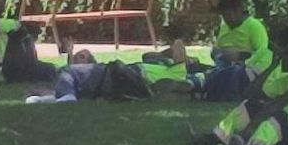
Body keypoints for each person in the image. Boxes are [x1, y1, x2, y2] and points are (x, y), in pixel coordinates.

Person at [30, 40, 193, 104]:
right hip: (128, 78)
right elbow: (177, 47)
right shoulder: (173, 69)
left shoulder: (177, 67)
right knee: (71, 76)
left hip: (123, 76)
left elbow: (178, 45)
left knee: (69, 71)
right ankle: (60, 97)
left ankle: (66, 98)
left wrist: (164, 54)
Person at [0, 4, 59, 100]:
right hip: (13, 71)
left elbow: (64, 71)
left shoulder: (53, 71)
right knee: (6, 33)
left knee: (17, 28)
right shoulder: (52, 70)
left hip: (21, 71)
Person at [192, 0, 274, 101]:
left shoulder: (254, 26)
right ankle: (199, 85)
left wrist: (239, 56)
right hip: (222, 64)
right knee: (194, 66)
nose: (227, 19)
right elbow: (218, 48)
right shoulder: (224, 27)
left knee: (228, 73)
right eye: (224, 16)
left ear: (239, 11)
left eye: (229, 15)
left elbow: (262, 54)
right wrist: (216, 52)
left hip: (245, 69)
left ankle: (199, 85)